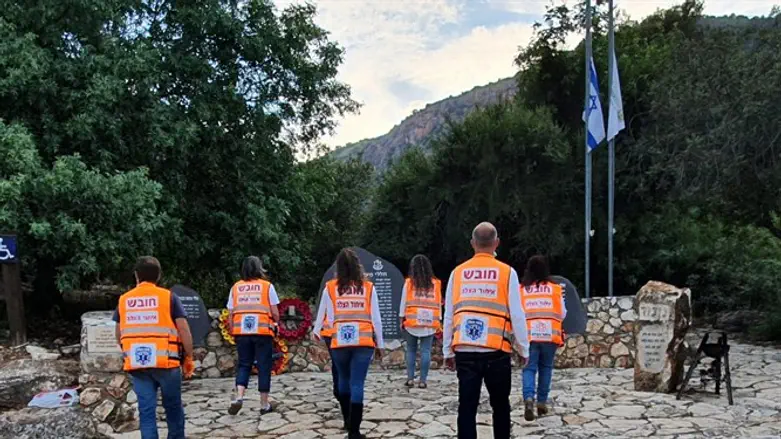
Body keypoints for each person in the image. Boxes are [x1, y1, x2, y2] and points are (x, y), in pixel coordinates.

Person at [443, 222, 529, 439]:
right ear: (496, 243)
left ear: (472, 243)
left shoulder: (458, 273)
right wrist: (523, 348)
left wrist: (447, 351)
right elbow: (517, 314)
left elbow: (449, 315)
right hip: (496, 349)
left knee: (467, 406)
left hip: (465, 348)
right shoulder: (507, 272)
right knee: (500, 406)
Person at [113, 256, 195, 439]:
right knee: (173, 409)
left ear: (136, 276)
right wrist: (188, 357)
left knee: (147, 412)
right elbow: (184, 330)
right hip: (167, 363)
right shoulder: (168, 297)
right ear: (158, 276)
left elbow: (118, 334)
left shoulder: (124, 300)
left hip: (137, 364)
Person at [313, 248, 384, 439]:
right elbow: (376, 318)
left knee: (343, 380)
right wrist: (381, 343)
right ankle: (354, 431)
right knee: (357, 383)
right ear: (357, 266)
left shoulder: (330, 287)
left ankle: (346, 419)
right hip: (363, 340)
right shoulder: (368, 288)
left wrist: (316, 331)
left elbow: (327, 313)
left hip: (340, 340)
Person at [227, 256, 280, 416]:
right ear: (259, 268)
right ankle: (264, 404)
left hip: (242, 332)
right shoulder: (267, 287)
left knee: (244, 364)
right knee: (264, 366)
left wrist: (232, 329)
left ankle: (239, 396)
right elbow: (275, 313)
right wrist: (275, 322)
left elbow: (230, 313)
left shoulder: (236, 287)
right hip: (262, 332)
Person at [520, 255, 566, 421]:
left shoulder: (522, 289)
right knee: (546, 368)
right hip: (550, 335)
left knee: (529, 368)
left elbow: (517, 313)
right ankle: (541, 402)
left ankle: (528, 398)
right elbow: (562, 313)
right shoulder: (555, 289)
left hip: (529, 335)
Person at [399, 254, 441, 388]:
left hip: (412, 321)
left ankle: (410, 379)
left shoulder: (409, 283)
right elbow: (439, 303)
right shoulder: (436, 283)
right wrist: (439, 320)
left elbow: (403, 302)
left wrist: (401, 318)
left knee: (411, 350)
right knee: (426, 351)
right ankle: (423, 380)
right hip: (429, 322)